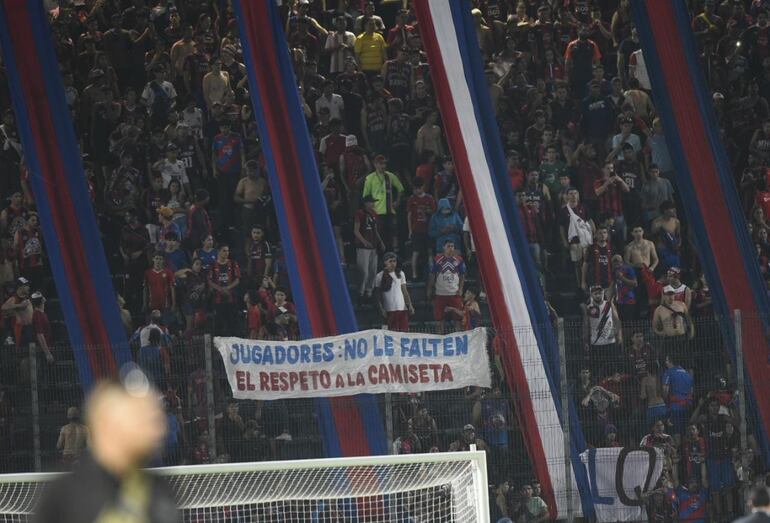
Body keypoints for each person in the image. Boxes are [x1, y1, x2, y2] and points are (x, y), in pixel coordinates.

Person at [34, 376, 180, 523]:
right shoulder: (65, 497)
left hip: (68, 457)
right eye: (142, 418)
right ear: (110, 423)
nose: (160, 428)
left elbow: (59, 445)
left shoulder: (158, 490)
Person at [427, 239, 466, 333]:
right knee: (439, 320)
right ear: (443, 247)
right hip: (440, 293)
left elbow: (462, 275)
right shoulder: (437, 259)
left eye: (452, 246)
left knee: (458, 319)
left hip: (454, 293)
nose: (451, 248)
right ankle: (440, 339)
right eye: (448, 246)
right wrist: (430, 288)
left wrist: (460, 288)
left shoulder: (459, 260)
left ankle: (458, 338)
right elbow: (432, 275)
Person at [374, 252, 414, 332]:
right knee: (392, 333)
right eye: (390, 261)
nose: (393, 263)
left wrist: (410, 305)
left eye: (394, 261)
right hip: (389, 309)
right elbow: (377, 295)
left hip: (401, 308)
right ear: (385, 262)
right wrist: (381, 308)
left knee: (404, 332)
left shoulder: (401, 274)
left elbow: (404, 291)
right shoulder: (379, 276)